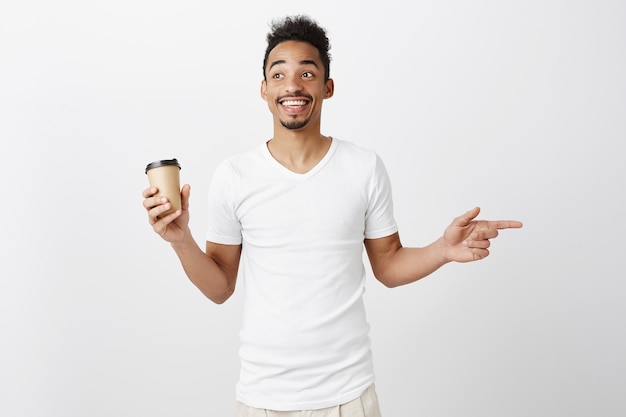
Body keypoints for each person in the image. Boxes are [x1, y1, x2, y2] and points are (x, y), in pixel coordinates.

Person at [142, 14, 523, 417]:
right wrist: (181, 241)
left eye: (307, 73)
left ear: (327, 87)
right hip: (264, 398)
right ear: (264, 89)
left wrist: (442, 250)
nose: (292, 85)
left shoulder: (363, 167)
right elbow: (220, 286)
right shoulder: (234, 176)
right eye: (279, 74)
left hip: (350, 396)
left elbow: (389, 265)